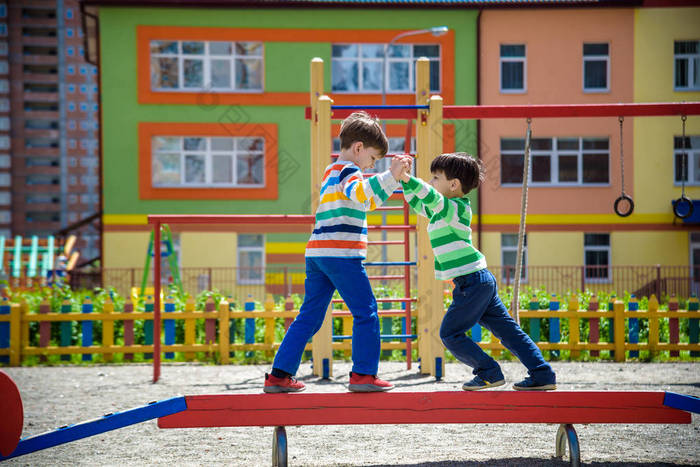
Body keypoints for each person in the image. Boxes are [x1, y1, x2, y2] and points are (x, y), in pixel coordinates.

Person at [264, 111, 412, 393]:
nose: (370, 166)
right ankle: (363, 375)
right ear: (358, 148)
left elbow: (367, 201)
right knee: (366, 312)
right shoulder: (349, 171)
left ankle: (279, 376)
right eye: (371, 159)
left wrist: (392, 180)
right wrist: (390, 174)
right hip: (341, 254)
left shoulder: (331, 171)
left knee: (309, 316)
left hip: (318, 254)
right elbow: (362, 194)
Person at [399, 152, 556, 391]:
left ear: (453, 184)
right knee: (508, 331)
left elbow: (430, 196)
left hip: (472, 282)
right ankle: (542, 373)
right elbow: (420, 203)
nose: (431, 182)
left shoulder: (456, 209)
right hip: (477, 280)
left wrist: (410, 179)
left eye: (435, 177)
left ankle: (488, 371)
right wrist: (402, 179)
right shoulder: (441, 210)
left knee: (450, 333)